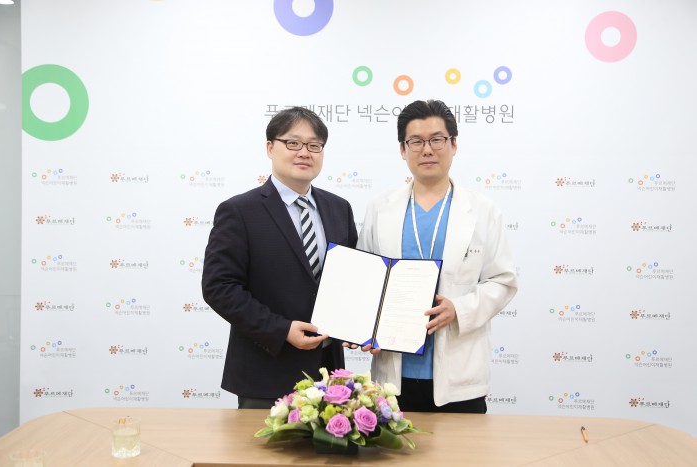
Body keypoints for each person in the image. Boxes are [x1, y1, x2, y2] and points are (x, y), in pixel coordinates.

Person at [350, 99, 517, 413]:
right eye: (416, 141)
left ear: (454, 145)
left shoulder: (483, 211)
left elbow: (503, 281)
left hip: (459, 376)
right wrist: (362, 327)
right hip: (392, 376)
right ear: (403, 150)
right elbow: (366, 280)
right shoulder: (380, 208)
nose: (427, 150)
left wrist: (459, 309)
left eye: (437, 140)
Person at [202, 107, 358, 409]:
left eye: (314, 145)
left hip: (329, 375)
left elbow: (350, 279)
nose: (304, 152)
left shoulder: (339, 208)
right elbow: (219, 287)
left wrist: (361, 327)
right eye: (293, 143)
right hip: (265, 373)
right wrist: (281, 330)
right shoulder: (239, 211)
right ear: (270, 147)